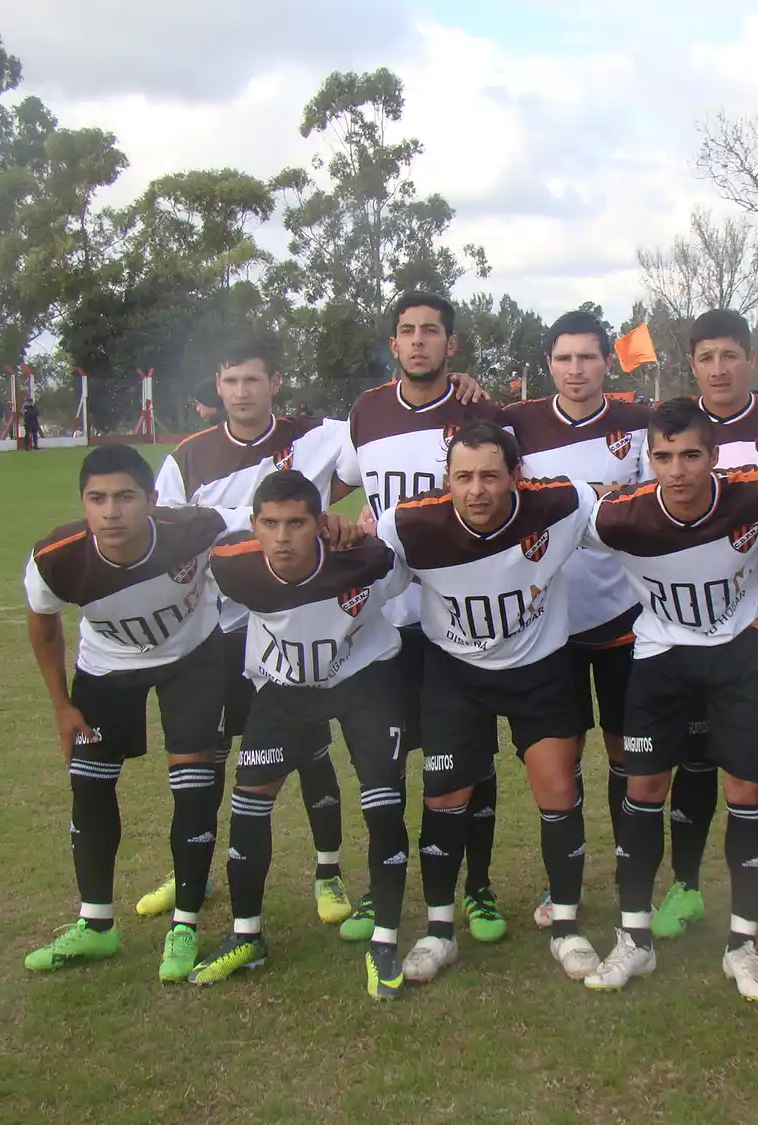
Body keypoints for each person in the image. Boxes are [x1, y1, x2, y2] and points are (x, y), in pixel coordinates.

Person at [143, 331, 489, 927]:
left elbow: (380, 452)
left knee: (318, 749)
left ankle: (330, 872)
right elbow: (169, 526)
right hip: (226, 625)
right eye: (230, 380)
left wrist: (464, 391)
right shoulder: (188, 457)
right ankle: (189, 868)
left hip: (315, 621)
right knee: (211, 754)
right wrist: (242, 530)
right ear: (218, 388)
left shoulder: (321, 437)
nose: (242, 391)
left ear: (275, 383)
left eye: (253, 379)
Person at [374, 422, 602, 983]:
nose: (477, 490)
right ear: (446, 480)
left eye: (490, 476)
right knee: (445, 797)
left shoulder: (565, 504)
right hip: (455, 674)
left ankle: (568, 927)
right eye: (464, 477)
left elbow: (632, 525)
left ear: (515, 477)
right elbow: (368, 580)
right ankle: (438, 931)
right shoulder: (407, 524)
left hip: (541, 668)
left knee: (558, 787)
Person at [580, 399, 758, 1000]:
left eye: (691, 455)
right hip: (660, 659)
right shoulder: (620, 517)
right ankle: (634, 941)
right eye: (663, 457)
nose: (677, 470)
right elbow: (555, 509)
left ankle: (742, 946)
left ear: (715, 457)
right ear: (649, 460)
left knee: (746, 791)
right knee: (643, 789)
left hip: (737, 657)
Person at [191, 472, 415, 997]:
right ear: (254, 527)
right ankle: (246, 935)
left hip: (364, 677)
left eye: (296, 523)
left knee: (382, 801)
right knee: (250, 804)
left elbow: (412, 570)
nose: (283, 537)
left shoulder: (367, 561)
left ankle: (384, 940)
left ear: (320, 524)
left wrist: (361, 529)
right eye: (270, 524)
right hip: (285, 687)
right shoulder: (231, 566)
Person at [333, 291, 511, 945]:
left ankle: (480, 887)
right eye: (406, 331)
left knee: (467, 761)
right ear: (393, 343)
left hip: (455, 618)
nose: (418, 342)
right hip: (385, 620)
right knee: (384, 765)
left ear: (451, 344)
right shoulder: (368, 411)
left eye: (430, 331)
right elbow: (341, 484)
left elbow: (504, 487)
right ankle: (380, 891)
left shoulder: (477, 408)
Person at [21, 444, 231, 982]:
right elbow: (44, 627)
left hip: (193, 659)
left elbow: (265, 534)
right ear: (83, 503)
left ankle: (184, 924)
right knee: (88, 784)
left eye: (124, 497)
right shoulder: (56, 557)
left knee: (192, 779)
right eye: (97, 498)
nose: (111, 511)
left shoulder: (196, 528)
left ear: (152, 500)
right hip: (107, 669)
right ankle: (96, 926)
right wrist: (62, 706)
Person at [654, 309, 758, 946]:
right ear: (693, 364)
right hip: (690, 632)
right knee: (693, 763)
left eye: (730, 356)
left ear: (751, 358)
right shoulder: (668, 430)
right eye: (707, 357)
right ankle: (686, 888)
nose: (719, 368)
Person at [502, 309, 650, 929]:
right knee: (560, 762)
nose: (576, 369)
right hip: (549, 624)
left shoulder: (639, 424)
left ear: (606, 363)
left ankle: (627, 874)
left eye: (587, 357)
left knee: (623, 753)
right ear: (548, 365)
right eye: (564, 358)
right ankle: (563, 882)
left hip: (623, 616)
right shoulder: (518, 425)